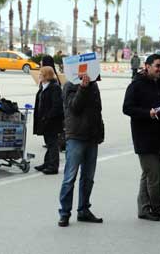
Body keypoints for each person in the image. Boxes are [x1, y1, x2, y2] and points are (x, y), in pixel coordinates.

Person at [123, 54, 160, 222]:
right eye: (157, 66)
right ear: (147, 66)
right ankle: (157, 207)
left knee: (147, 173)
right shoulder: (136, 85)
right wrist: (148, 113)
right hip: (143, 135)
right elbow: (127, 108)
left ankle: (144, 209)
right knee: (153, 175)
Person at [57, 74, 105, 227]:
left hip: (92, 136)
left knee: (88, 177)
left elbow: (98, 110)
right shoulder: (69, 85)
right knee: (70, 177)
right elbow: (74, 107)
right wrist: (83, 88)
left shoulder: (94, 85)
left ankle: (84, 210)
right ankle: (64, 213)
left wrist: (100, 132)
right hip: (76, 136)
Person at [33, 66, 64, 175]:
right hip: (44, 120)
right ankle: (47, 163)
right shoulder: (43, 86)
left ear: (47, 75)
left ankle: (53, 166)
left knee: (53, 143)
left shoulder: (54, 87)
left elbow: (57, 106)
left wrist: (47, 116)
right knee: (49, 142)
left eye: (41, 74)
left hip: (52, 121)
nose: (39, 75)